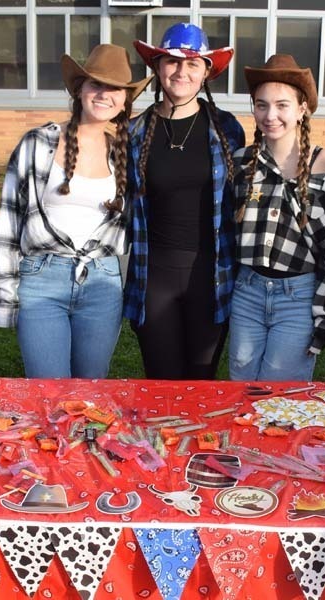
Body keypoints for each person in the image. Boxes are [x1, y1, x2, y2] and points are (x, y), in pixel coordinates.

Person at [0, 45, 151, 379]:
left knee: (90, 392)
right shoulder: (37, 144)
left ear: (125, 100)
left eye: (115, 88)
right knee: (48, 390)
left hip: (102, 282)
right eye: (95, 84)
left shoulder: (127, 153)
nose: (104, 94)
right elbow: (9, 221)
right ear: (79, 89)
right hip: (41, 280)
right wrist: (4, 295)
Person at [124, 23, 245, 380]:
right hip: (153, 277)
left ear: (206, 72)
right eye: (172, 62)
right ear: (158, 67)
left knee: (201, 383)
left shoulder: (226, 129)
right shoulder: (135, 132)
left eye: (193, 64)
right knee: (160, 383)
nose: (181, 72)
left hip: (211, 277)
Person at [229, 54, 325, 381]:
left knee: (281, 390)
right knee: (241, 382)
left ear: (302, 110)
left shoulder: (324, 164)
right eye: (262, 105)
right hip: (247, 292)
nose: (270, 115)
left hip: (297, 298)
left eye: (282, 105)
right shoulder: (241, 163)